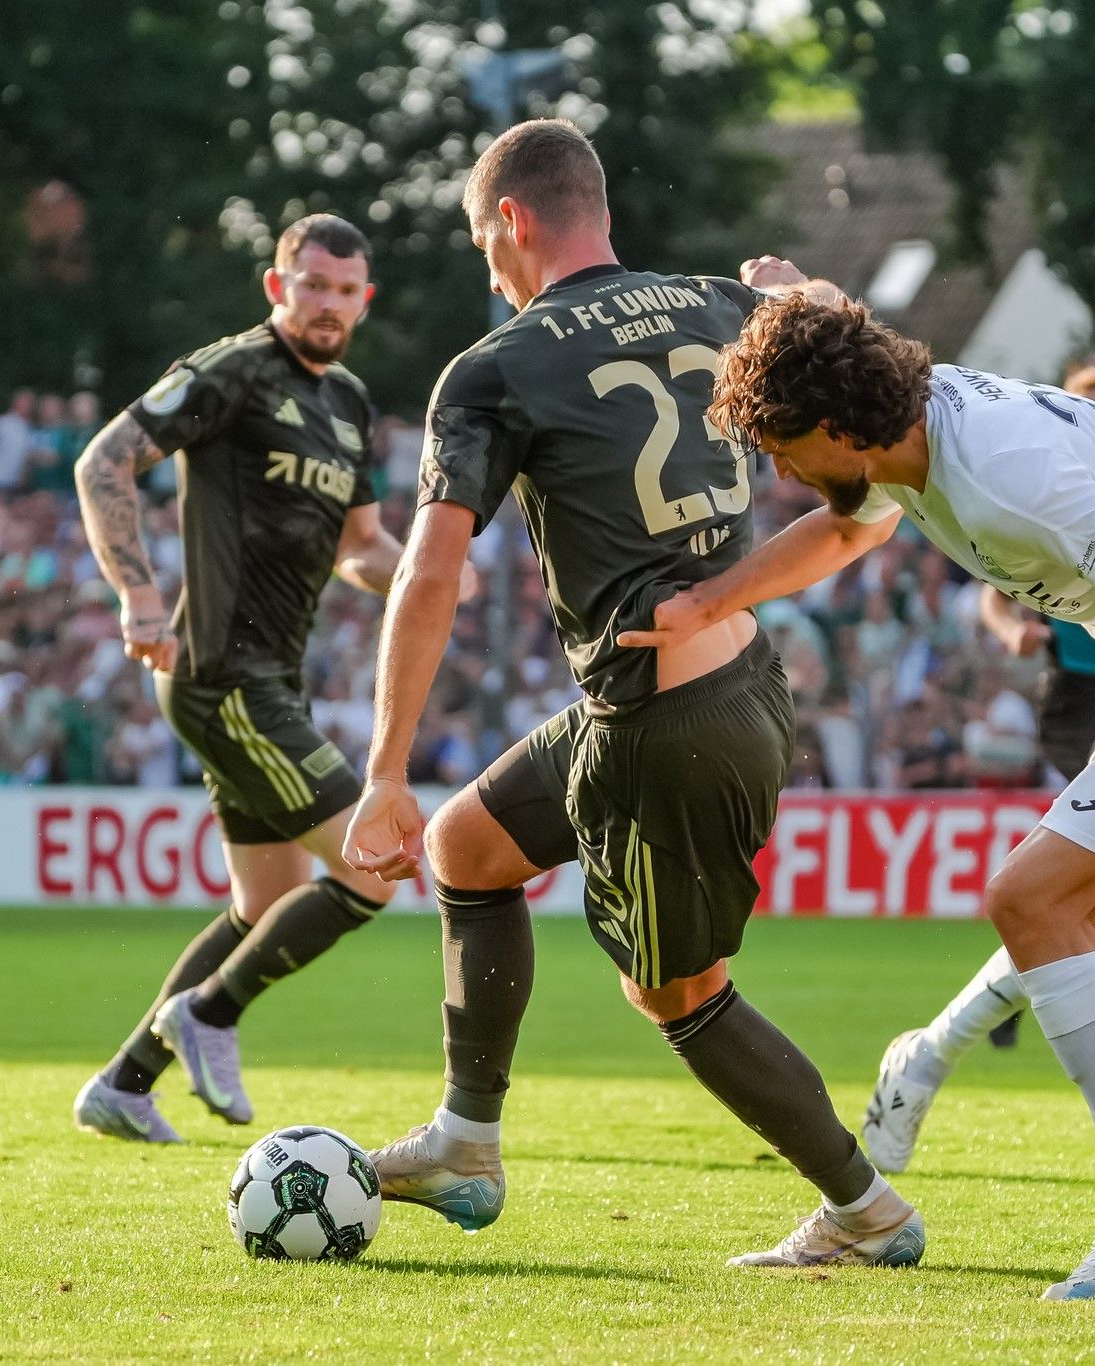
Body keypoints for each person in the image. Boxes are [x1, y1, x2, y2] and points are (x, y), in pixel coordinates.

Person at [631, 294, 1095, 1299]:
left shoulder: (1001, 477)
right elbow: (844, 526)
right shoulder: (902, 423)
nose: (783, 475)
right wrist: (714, 600)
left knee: (1031, 900)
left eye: (786, 449)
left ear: (842, 427)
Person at [341, 119, 925, 1270]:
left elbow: (431, 568)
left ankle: (866, 1213)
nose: (487, 266)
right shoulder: (719, 305)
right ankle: (466, 1137)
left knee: (675, 991)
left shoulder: (495, 365)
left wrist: (382, 771)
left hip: (668, 722)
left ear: (511, 219)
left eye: (479, 239)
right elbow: (861, 415)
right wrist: (799, 287)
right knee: (468, 847)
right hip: (719, 677)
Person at [70, 214, 427, 1143]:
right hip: (219, 670)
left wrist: (429, 576)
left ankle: (125, 1083)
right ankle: (209, 1016)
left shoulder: (350, 404)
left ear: (364, 300)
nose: (328, 304)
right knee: (374, 866)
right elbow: (105, 460)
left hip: (273, 678)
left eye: (345, 291)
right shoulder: (232, 371)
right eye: (311, 285)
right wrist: (138, 596)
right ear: (278, 287)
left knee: (262, 907)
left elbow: (360, 550)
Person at [974, 367, 1095, 1048]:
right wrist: (1014, 630)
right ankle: (1022, 981)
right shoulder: (1041, 498)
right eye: (1083, 411)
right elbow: (992, 593)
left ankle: (1013, 984)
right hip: (1074, 696)